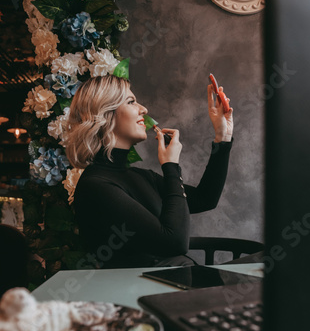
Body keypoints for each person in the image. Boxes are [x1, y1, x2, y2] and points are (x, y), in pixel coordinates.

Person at [65, 75, 233, 268]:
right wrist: (171, 166)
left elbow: (205, 199)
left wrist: (223, 137)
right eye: (131, 102)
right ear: (105, 115)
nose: (143, 109)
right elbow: (175, 243)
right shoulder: (96, 186)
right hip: (141, 295)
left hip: (172, 286)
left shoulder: (139, 177)